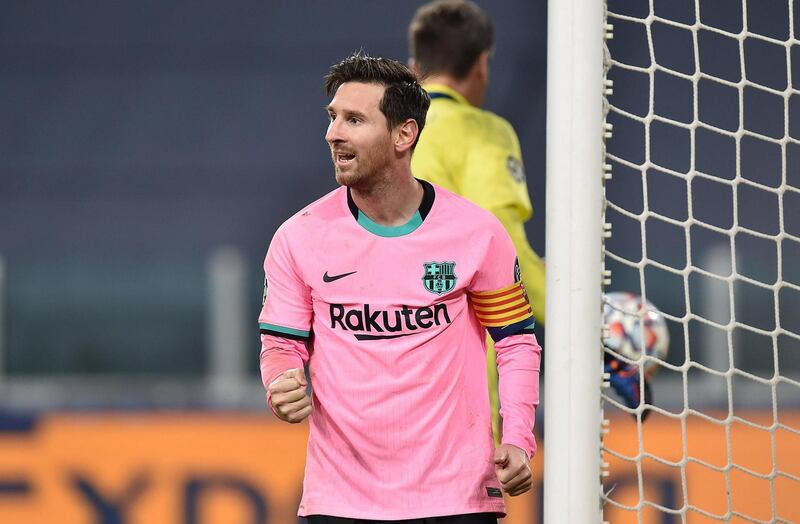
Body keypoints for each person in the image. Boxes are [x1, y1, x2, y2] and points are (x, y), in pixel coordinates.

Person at [258, 53, 541, 522]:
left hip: (457, 501)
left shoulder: (478, 234)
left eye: (354, 120)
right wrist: (280, 384)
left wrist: (517, 438)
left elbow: (516, 343)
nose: (334, 134)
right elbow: (281, 346)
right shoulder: (299, 236)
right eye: (332, 118)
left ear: (403, 135)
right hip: (340, 504)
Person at [407, 0, 546, 442]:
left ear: (413, 67)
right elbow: (509, 253)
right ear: (482, 64)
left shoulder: (383, 133)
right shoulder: (484, 133)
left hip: (379, 368)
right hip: (459, 390)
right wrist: (592, 325)